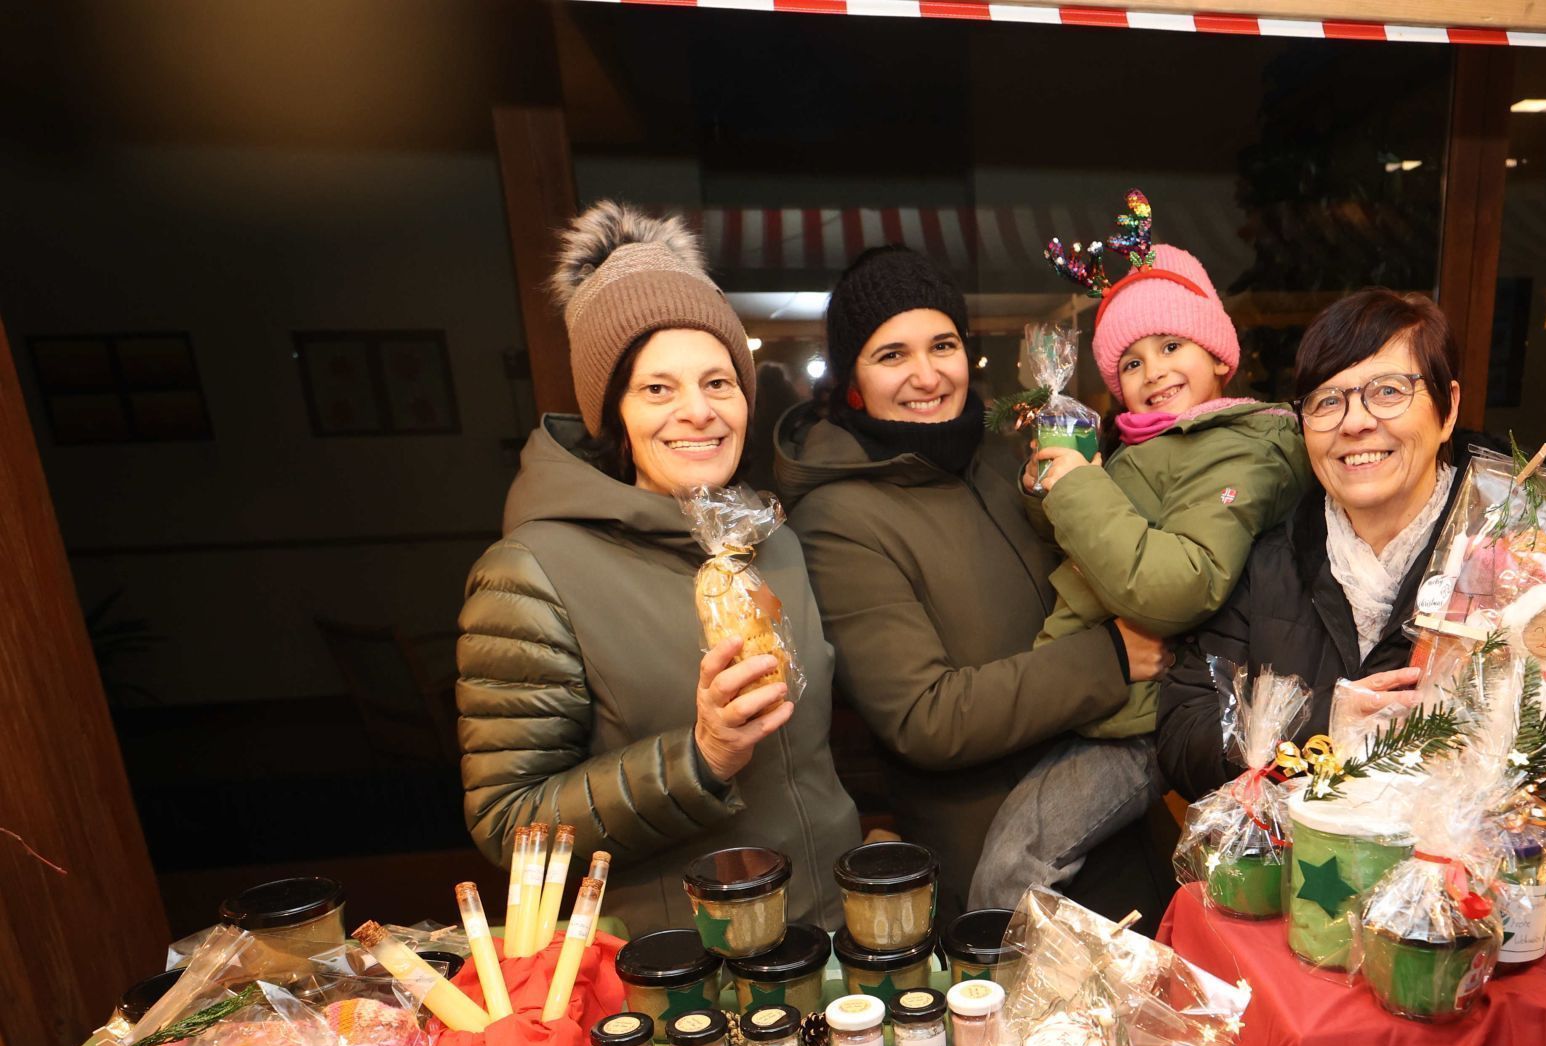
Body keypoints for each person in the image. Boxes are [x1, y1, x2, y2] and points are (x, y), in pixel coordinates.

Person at [456, 201, 861, 937]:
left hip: (828, 944)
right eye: (657, 388)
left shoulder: (770, 543)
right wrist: (699, 759)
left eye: (718, 382)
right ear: (613, 410)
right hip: (680, 981)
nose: (698, 412)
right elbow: (508, 826)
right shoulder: (531, 572)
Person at [774, 245, 1174, 926]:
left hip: (1123, 823)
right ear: (852, 380)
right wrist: (1108, 658)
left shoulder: (999, 457)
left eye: (943, 345)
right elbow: (922, 716)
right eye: (891, 355)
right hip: (1007, 872)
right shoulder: (838, 516)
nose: (926, 375)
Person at [966, 242, 1310, 910]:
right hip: (1107, 698)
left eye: (1172, 345)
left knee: (1012, 868)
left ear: (1218, 354)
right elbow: (1103, 546)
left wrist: (1078, 493)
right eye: (1131, 360)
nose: (1153, 370)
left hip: (1150, 714)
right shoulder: (1152, 446)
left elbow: (1177, 586)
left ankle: (1021, 1010)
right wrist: (1052, 486)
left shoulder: (1240, 447)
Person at [1156, 288, 1491, 800]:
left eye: (1387, 391)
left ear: (1448, 410)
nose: (1355, 423)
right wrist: (1321, 726)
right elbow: (1183, 736)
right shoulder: (1265, 563)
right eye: (1328, 400)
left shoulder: (1512, 563)